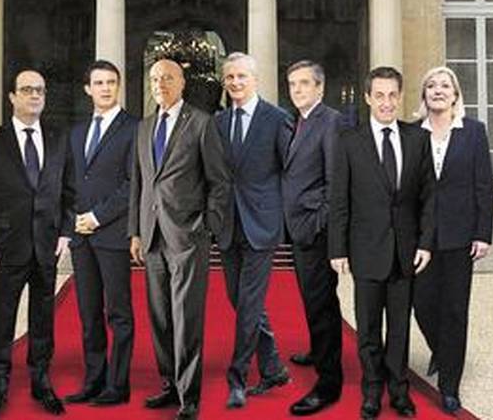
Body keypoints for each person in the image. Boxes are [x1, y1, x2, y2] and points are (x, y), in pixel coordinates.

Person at [329, 66, 435, 420]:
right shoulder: (349, 141)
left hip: (406, 253)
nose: (386, 102)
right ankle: (372, 392)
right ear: (367, 98)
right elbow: (339, 199)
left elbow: (429, 197)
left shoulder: (418, 139)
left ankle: (400, 392)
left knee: (400, 330)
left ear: (400, 97)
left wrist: (425, 243)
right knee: (369, 331)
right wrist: (338, 249)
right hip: (365, 251)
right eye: (379, 96)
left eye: (392, 95)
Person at [0, 70, 75, 418]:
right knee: (1, 321)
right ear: (12, 97)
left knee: (43, 321)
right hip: (4, 248)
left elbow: (69, 190)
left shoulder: (59, 139)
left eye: (40, 90)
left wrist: (66, 232)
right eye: (27, 90)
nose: (34, 95)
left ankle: (41, 383)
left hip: (46, 246)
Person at [128, 58, 231, 420]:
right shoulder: (144, 127)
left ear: (182, 83)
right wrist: (135, 231)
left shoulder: (201, 123)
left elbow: (219, 182)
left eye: (168, 78)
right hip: (151, 236)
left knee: (186, 317)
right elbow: (139, 183)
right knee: (159, 317)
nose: (160, 84)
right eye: (155, 78)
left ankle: (190, 397)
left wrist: (207, 226)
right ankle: (169, 384)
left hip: (188, 236)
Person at [410, 66, 493, 415]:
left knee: (455, 310)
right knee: (422, 305)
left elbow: (483, 185)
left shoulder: (473, 132)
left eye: (445, 85)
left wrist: (483, 233)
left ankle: (449, 386)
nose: (438, 90)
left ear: (455, 94)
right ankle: (442, 351)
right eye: (431, 85)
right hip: (421, 239)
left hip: (460, 236)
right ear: (424, 94)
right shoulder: (412, 133)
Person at [213, 52, 292, 409]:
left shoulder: (277, 119)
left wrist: (288, 218)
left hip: (262, 224)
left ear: (255, 79)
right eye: (230, 77)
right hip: (228, 225)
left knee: (248, 303)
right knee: (239, 299)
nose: (235, 83)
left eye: (241, 76)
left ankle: (238, 378)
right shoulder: (218, 122)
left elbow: (290, 171)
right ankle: (273, 367)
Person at [64, 60, 137, 406]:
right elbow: (68, 182)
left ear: (118, 86)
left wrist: (97, 217)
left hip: (113, 234)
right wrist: (73, 220)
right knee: (88, 313)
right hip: (81, 237)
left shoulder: (134, 128)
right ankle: (93, 380)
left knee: (118, 313)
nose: (106, 88)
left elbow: (132, 183)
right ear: (87, 89)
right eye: (99, 83)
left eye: (111, 82)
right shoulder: (76, 132)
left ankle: (118, 385)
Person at [281, 60, 344, 416]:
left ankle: (328, 383)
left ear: (320, 87)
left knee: (321, 304)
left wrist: (317, 223)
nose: (297, 90)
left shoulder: (331, 122)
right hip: (298, 228)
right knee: (313, 300)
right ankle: (320, 352)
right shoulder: (299, 120)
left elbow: (336, 183)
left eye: (304, 83)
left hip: (315, 231)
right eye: (292, 84)